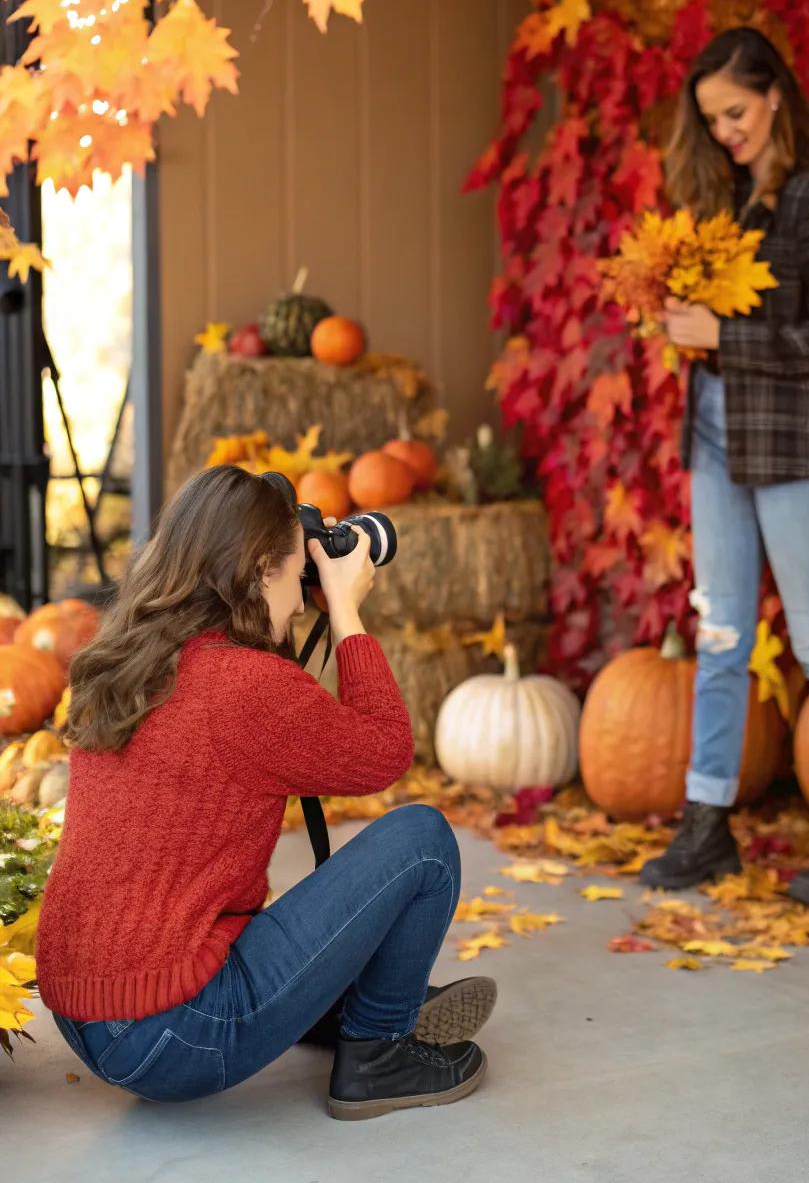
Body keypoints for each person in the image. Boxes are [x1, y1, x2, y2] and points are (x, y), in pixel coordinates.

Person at [36, 465, 494, 1118]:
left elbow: (245, 718)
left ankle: (330, 999)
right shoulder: (243, 687)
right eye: (292, 572)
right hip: (179, 1033)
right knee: (422, 842)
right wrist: (346, 608)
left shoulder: (129, 661)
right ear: (257, 572)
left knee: (234, 908)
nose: (301, 600)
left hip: (88, 1013)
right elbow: (385, 750)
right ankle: (378, 1051)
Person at [639, 25, 809, 908]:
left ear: (776, 93)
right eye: (710, 119)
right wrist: (684, 327)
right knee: (719, 638)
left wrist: (725, 338)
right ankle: (707, 828)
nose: (725, 131)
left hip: (793, 451)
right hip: (716, 442)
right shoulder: (732, 205)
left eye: (735, 111)